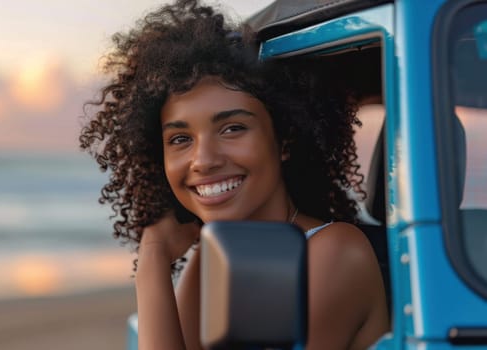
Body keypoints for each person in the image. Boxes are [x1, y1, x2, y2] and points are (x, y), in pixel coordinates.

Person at [79, 0, 389, 349]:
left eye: (232, 128)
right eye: (180, 138)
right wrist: (153, 253)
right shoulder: (214, 258)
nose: (204, 160)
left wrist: (151, 267)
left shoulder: (335, 252)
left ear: (284, 140)